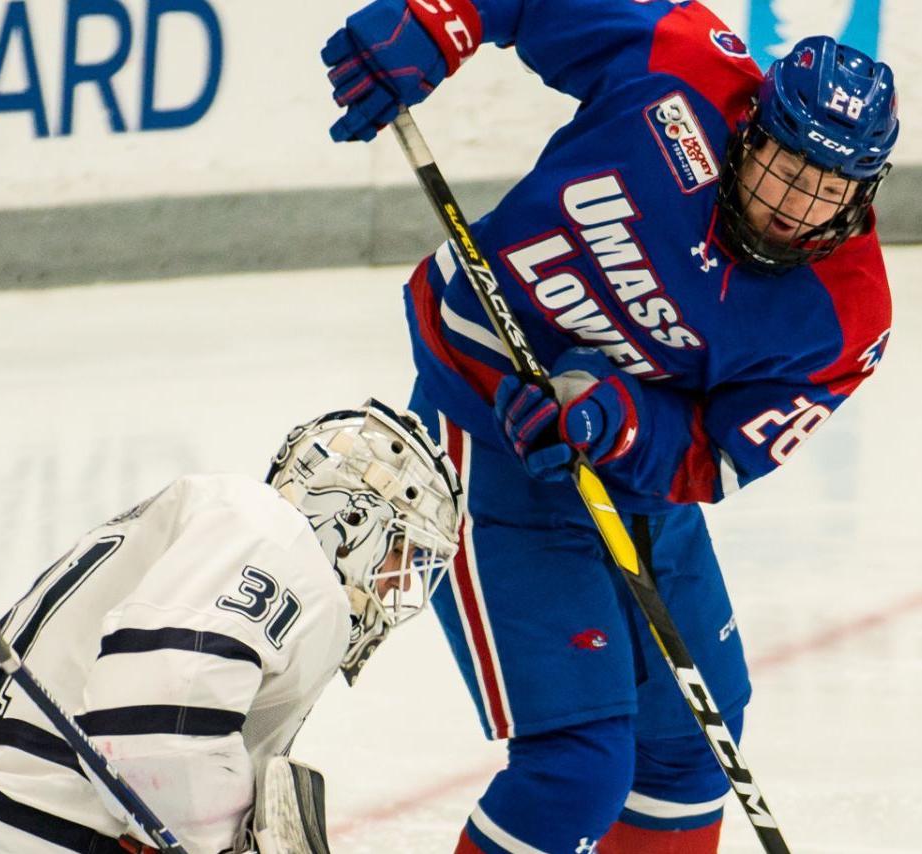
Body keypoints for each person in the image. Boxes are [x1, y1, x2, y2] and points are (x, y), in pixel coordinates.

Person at [321, 1, 899, 852]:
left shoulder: (845, 317)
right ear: (749, 129)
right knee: (574, 766)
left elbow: (715, 456)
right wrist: (437, 16)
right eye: (784, 167)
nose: (795, 206)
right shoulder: (683, 66)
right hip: (482, 428)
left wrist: (614, 421)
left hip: (634, 482)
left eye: (829, 188)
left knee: (692, 747)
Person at [0, 400, 462, 854]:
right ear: (354, 518)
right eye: (400, 554)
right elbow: (157, 729)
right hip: (25, 833)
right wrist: (216, 839)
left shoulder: (213, 526)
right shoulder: (273, 537)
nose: (394, 585)